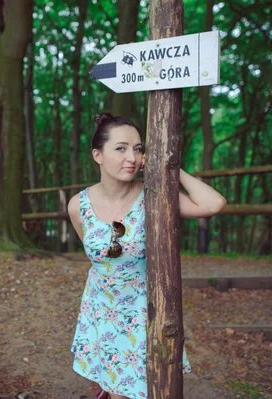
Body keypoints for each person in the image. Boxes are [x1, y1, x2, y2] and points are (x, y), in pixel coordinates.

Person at [68, 113, 226, 399]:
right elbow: (98, 259)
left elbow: (213, 203)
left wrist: (168, 169)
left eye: (138, 149)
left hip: (144, 314)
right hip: (100, 311)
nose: (132, 157)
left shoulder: (155, 196)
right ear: (97, 155)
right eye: (121, 148)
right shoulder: (78, 206)